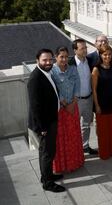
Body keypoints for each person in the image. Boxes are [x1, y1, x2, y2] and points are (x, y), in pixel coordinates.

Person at [28, 49, 65, 192]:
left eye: (50, 59)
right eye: (45, 60)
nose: (48, 62)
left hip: (50, 119)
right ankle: (48, 183)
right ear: (37, 60)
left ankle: (47, 176)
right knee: (47, 153)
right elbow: (35, 106)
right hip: (45, 124)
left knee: (48, 151)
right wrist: (42, 127)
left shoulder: (46, 73)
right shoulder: (35, 79)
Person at [51, 47, 84, 173]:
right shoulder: (52, 71)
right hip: (60, 110)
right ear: (56, 57)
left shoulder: (73, 69)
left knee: (73, 136)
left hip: (73, 107)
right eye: (61, 57)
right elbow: (55, 90)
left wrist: (73, 102)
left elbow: (78, 86)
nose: (64, 59)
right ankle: (63, 165)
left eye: (66, 57)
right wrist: (65, 104)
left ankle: (74, 163)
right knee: (61, 138)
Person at [91, 45, 112, 160]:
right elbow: (94, 89)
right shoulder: (96, 69)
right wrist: (97, 105)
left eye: (109, 54)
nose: (107, 57)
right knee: (103, 131)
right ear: (100, 55)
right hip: (102, 103)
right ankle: (104, 153)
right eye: (105, 54)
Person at [69, 39, 98, 155]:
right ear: (75, 50)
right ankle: (75, 150)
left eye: (86, 47)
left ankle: (85, 146)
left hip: (89, 98)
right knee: (74, 126)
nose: (85, 50)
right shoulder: (70, 64)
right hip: (76, 100)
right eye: (82, 48)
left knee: (86, 124)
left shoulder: (90, 61)